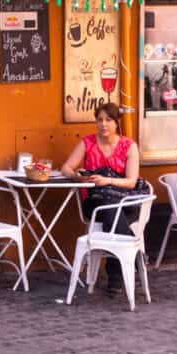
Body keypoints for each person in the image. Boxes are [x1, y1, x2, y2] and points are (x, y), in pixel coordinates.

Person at [61, 102, 140, 295]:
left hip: (124, 200)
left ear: (116, 123)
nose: (103, 124)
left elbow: (131, 182)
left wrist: (108, 180)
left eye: (108, 120)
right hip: (95, 202)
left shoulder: (129, 146)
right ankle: (129, 260)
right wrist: (78, 176)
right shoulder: (87, 143)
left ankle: (118, 273)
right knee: (108, 210)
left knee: (112, 212)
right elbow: (65, 167)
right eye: (100, 120)